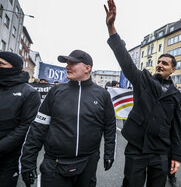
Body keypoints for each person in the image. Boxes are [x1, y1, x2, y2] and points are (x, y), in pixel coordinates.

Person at [105, 0, 181, 187]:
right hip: (137, 149)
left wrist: (176, 156)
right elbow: (124, 60)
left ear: (173, 70)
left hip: (161, 152)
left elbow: (177, 128)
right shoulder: (143, 80)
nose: (159, 64)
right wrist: (111, 27)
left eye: (165, 63)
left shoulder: (176, 95)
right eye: (159, 62)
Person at [19, 50, 116, 187]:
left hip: (87, 163)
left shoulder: (102, 95)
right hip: (55, 164)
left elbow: (110, 127)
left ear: (87, 68)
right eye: (67, 63)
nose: (67, 67)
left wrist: (109, 154)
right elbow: (38, 128)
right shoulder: (55, 92)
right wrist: (28, 162)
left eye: (72, 63)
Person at [0, 51, 40, 187]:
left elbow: (26, 126)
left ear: (14, 67)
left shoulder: (29, 92)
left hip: (9, 158)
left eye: (1, 64)